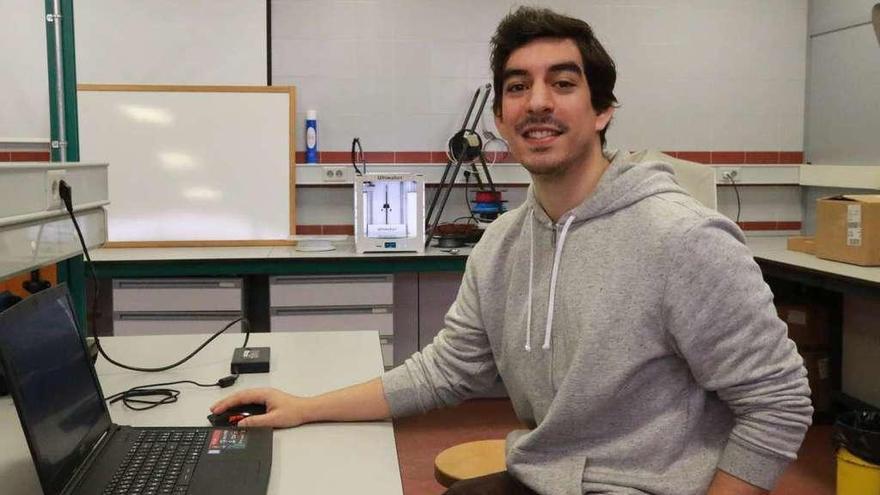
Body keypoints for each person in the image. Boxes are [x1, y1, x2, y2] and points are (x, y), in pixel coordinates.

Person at [212, 7, 813, 494]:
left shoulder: (682, 239)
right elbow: (445, 371)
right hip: (540, 475)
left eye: (563, 83)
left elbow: (779, 403)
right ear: (500, 118)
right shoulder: (501, 244)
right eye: (517, 87)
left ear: (602, 110)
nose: (538, 102)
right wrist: (305, 407)